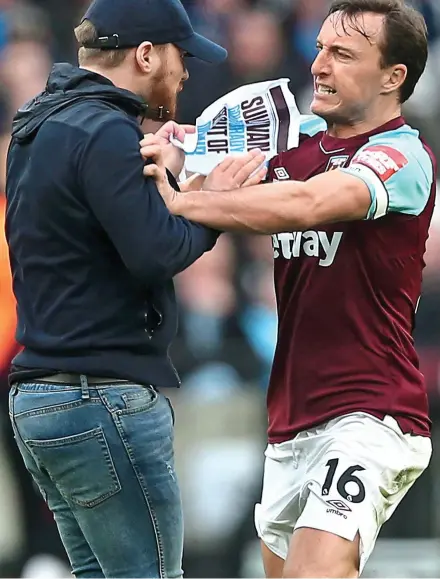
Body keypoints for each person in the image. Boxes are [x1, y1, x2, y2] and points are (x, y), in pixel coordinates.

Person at [141, 0, 437, 576]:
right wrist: (177, 156)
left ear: (392, 76)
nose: (319, 65)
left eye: (344, 55)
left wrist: (191, 200)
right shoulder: (290, 140)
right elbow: (185, 158)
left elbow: (310, 202)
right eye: (321, 48)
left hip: (372, 414)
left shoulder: (402, 156)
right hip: (289, 420)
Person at [5, 0, 265, 577]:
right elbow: (157, 253)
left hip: (41, 398)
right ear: (146, 55)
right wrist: (214, 204)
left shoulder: (39, 122)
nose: (186, 73)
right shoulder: (105, 130)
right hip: (99, 397)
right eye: (180, 56)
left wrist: (176, 183)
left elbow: (102, 242)